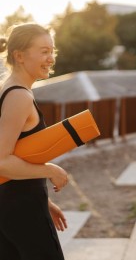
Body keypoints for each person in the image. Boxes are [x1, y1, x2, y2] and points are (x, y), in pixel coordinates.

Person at [0, 23, 69, 260]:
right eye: (43, 51)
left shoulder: (6, 90)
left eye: (52, 51)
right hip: (22, 209)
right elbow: (1, 161)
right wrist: (50, 170)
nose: (50, 58)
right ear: (19, 56)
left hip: (10, 205)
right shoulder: (19, 96)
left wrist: (45, 201)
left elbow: (18, 153)